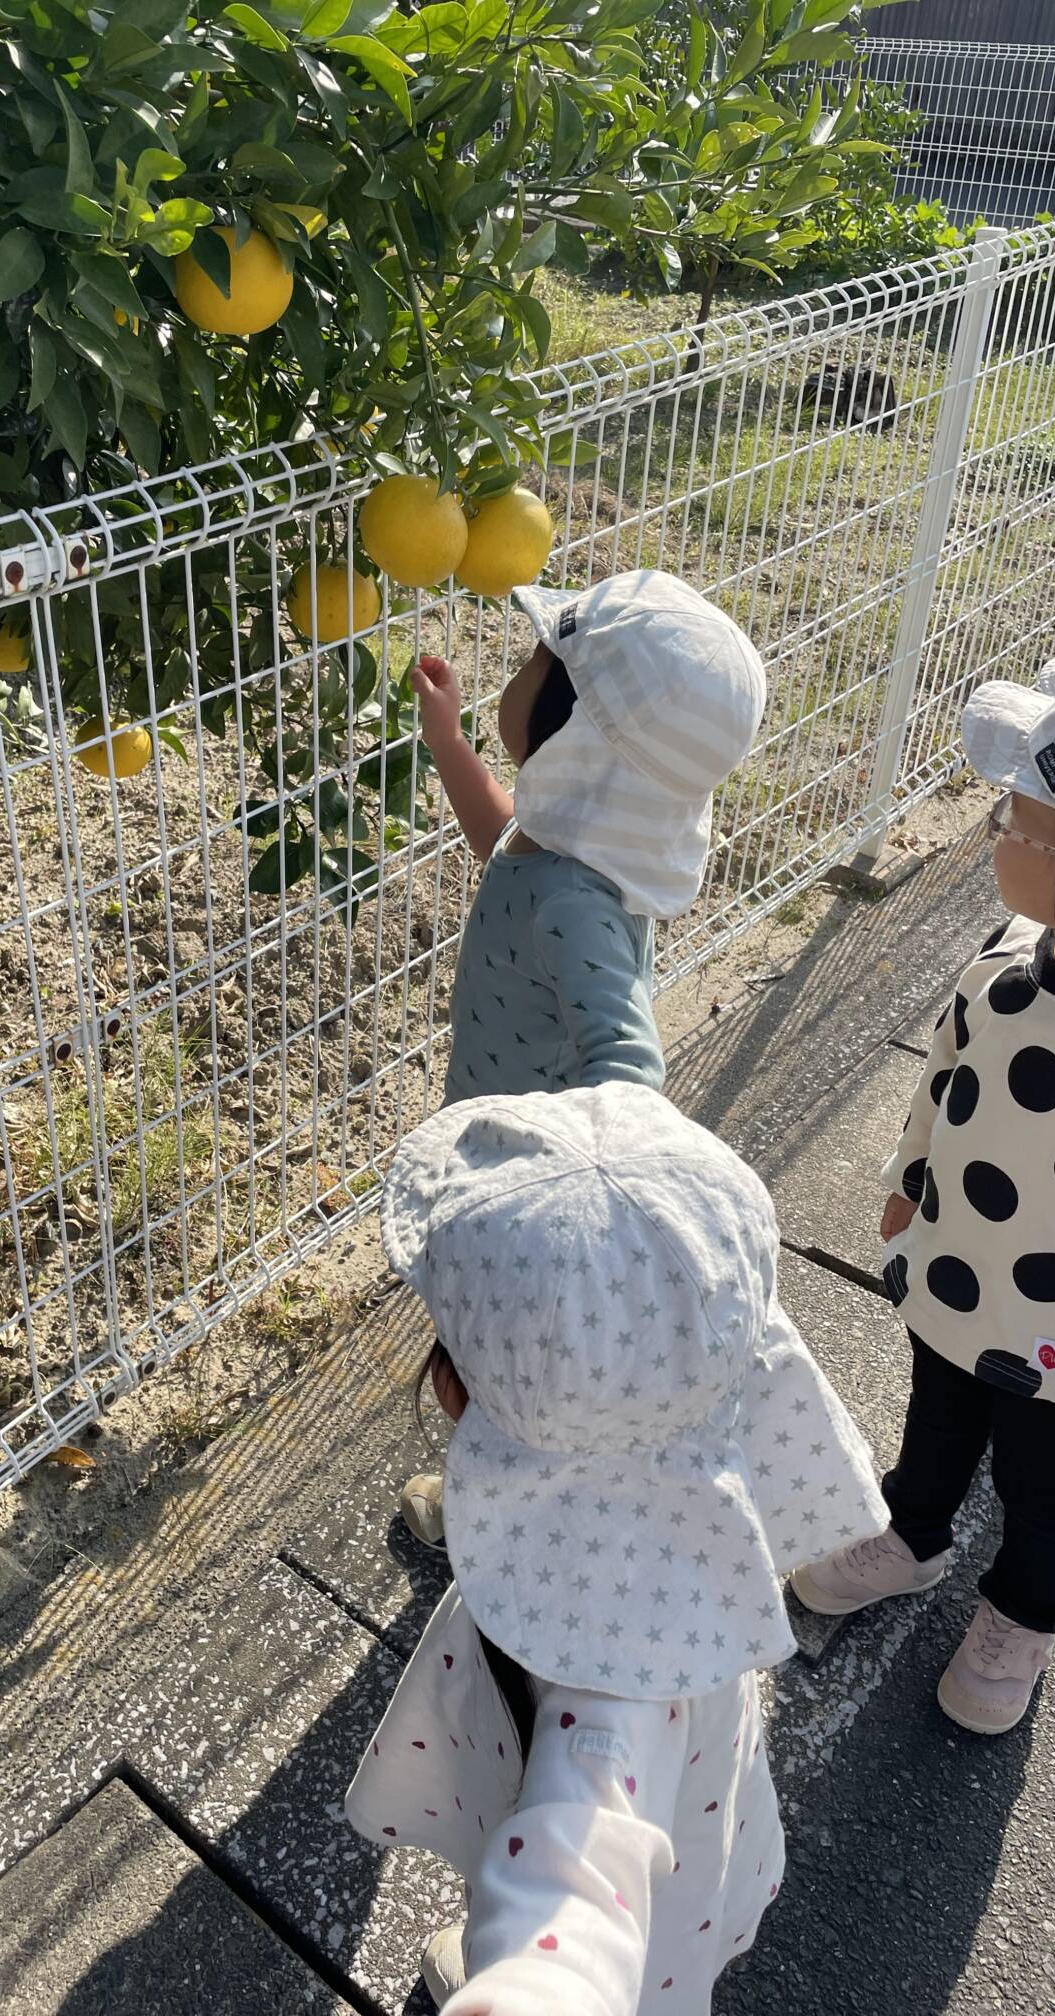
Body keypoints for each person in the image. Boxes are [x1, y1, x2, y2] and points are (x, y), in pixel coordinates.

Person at [348, 1084, 888, 2016]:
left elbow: (585, 1843)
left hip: (607, 1972)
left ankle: (495, 1972)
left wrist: (536, 2006)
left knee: (618, 1978)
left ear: (455, 1388)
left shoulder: (610, 1660)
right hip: (687, 1821)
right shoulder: (699, 1452)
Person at [398, 571, 768, 1548]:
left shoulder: (573, 901)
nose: (514, 676)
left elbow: (627, 1050)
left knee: (492, 1357)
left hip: (533, 1195)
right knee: (506, 1361)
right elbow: (507, 846)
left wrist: (619, 1179)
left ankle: (501, 1511)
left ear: (574, 732)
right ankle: (522, 1493)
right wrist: (447, 743)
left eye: (533, 662)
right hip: (513, 1164)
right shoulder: (567, 858)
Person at [792, 658, 1055, 1736]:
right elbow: (944, 1071)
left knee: (1044, 1484)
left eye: (1014, 824)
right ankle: (913, 1531)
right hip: (960, 1269)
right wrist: (905, 1179)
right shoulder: (1006, 954)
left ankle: (1023, 1611)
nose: (994, 836)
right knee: (938, 1413)